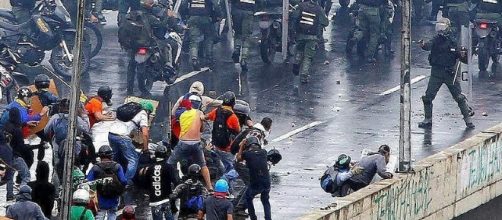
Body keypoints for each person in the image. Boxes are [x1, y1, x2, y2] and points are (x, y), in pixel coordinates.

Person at [418, 17, 474, 129]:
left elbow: (464, 58)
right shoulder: (436, 40)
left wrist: (463, 54)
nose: (440, 30)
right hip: (436, 72)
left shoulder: (453, 41)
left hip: (449, 73)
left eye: (442, 27)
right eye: (439, 27)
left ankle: (468, 120)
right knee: (428, 97)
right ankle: (428, 119)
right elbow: (428, 45)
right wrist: (423, 44)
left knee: (459, 98)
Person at [168, 95, 214, 191]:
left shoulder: (182, 114)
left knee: (170, 163)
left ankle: (172, 183)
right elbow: (202, 129)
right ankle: (210, 187)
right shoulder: (199, 113)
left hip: (183, 143)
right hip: (196, 144)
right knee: (203, 165)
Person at [44, 99, 90, 187]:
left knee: (57, 168)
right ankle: (75, 185)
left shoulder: (55, 117)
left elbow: (46, 131)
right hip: (75, 146)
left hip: (57, 147)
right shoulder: (77, 118)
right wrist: (84, 116)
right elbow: (86, 130)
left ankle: (57, 188)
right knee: (75, 166)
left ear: (60, 107)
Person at [109, 100, 153, 184]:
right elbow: (145, 134)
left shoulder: (129, 111)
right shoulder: (143, 113)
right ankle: (126, 182)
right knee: (133, 159)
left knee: (116, 157)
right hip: (122, 137)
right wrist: (146, 149)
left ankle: (112, 176)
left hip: (111, 135)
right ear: (147, 110)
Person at [290, 0, 329, 90]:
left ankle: (296, 63)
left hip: (300, 35)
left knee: (299, 50)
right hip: (312, 37)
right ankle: (304, 75)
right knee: (308, 56)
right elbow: (326, 22)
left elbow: (294, 17)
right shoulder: (319, 9)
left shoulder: (301, 6)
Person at [137, 144, 178, 220]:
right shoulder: (168, 167)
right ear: (165, 155)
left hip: (154, 202)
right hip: (166, 200)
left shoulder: (150, 168)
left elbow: (145, 185)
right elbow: (175, 182)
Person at [87, 145, 128, 220]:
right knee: (112, 214)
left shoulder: (95, 168)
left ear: (99, 156)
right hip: (114, 197)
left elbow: (89, 181)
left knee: (99, 215)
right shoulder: (117, 166)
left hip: (100, 198)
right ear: (111, 155)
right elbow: (124, 181)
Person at [180, 0, 223, 70]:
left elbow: (183, 4)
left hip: (193, 17)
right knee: (209, 38)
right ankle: (209, 59)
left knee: (194, 40)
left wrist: (186, 14)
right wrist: (218, 15)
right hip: (206, 18)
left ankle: (194, 59)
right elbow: (216, 5)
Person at [205, 91, 241, 174]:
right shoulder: (233, 117)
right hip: (227, 149)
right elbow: (238, 131)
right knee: (231, 169)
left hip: (216, 146)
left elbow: (206, 117)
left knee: (219, 166)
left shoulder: (216, 111)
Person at [236, 137, 271, 220]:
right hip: (266, 181)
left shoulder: (247, 154)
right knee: (265, 200)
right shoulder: (264, 152)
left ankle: (253, 217)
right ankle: (268, 218)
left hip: (255, 182)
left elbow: (238, 158)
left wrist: (241, 147)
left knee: (248, 198)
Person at [230, 0, 262, 72]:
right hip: (248, 12)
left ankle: (237, 49)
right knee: (246, 37)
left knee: (238, 33)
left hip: (236, 11)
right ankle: (244, 59)